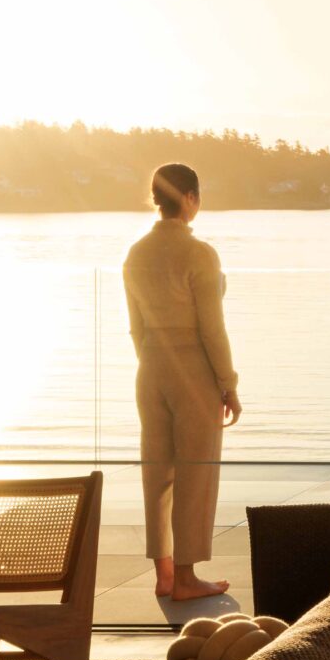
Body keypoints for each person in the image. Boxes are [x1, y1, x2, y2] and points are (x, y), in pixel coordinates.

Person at [123, 163, 241, 601]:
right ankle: (188, 578)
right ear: (190, 197)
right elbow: (213, 328)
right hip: (192, 367)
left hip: (150, 366)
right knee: (196, 470)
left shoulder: (135, 252)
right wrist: (227, 383)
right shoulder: (200, 254)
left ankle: (165, 573)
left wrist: (152, 363)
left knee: (157, 471)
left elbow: (135, 326)